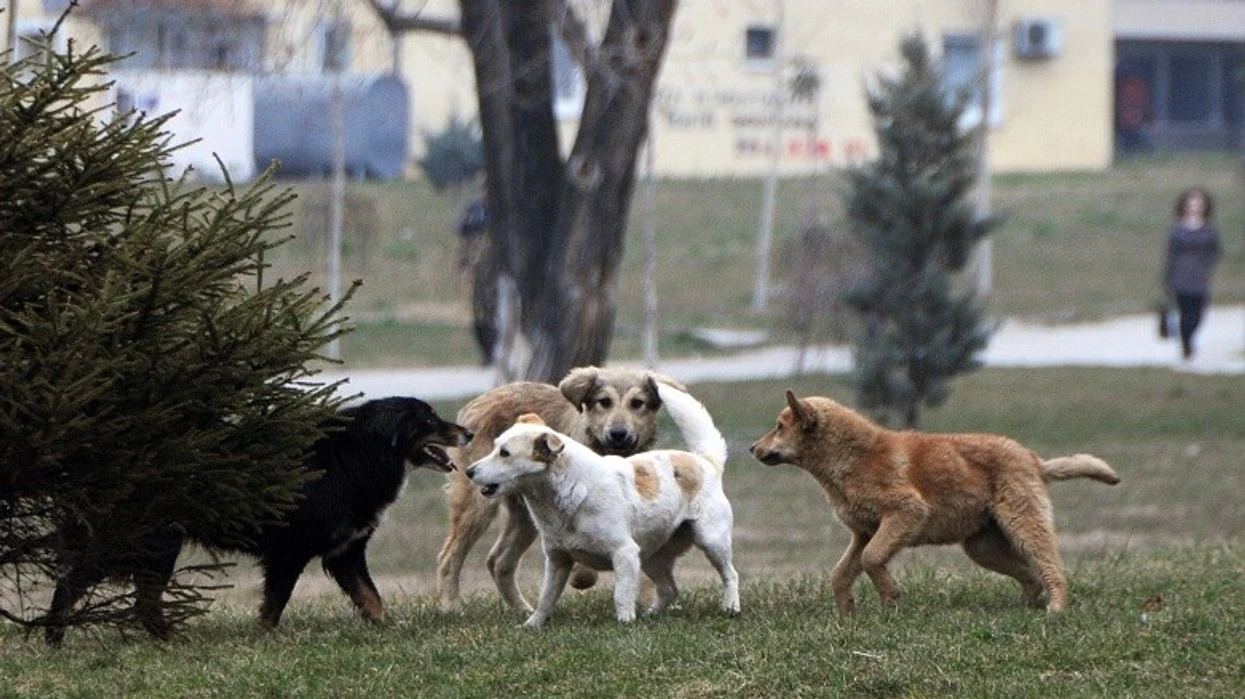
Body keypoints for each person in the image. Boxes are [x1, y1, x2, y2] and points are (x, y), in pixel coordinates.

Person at [1162, 187, 1221, 359]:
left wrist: (1206, 265)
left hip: (1200, 278)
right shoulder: (1177, 230)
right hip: (1181, 276)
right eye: (1192, 204)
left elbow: (1215, 251)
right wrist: (1167, 278)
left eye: (1198, 204)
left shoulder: (1210, 230)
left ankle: (1188, 338)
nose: (1195, 207)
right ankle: (1187, 345)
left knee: (1198, 314)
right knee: (1185, 313)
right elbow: (1170, 254)